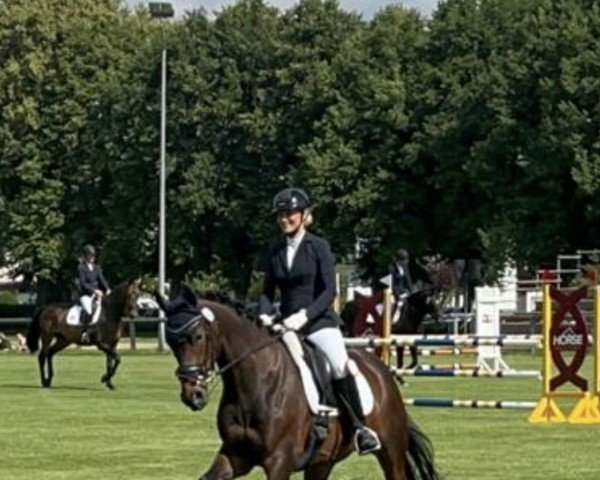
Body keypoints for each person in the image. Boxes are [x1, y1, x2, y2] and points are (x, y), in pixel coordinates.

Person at [259, 187, 381, 455]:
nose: (284, 219)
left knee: (340, 365)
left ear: (304, 216)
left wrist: (305, 315)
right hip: (286, 324)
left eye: (290, 214)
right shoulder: (275, 251)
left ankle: (361, 429)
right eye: (280, 214)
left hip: (319, 322)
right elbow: (267, 292)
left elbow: (329, 292)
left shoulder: (319, 247)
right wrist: (265, 314)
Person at [77, 245, 110, 344]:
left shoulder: (96, 267)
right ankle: (85, 332)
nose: (92, 257)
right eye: (90, 255)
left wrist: (107, 288)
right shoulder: (81, 268)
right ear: (85, 256)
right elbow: (83, 283)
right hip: (86, 295)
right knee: (89, 310)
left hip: (98, 295)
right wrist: (94, 291)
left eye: (93, 255)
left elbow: (101, 279)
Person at [389, 248, 414, 313]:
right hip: (394, 292)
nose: (407, 262)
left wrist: (412, 291)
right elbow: (392, 283)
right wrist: (397, 294)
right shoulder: (391, 268)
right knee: (394, 304)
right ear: (399, 260)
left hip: (403, 291)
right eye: (405, 260)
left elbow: (408, 280)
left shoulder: (405, 267)